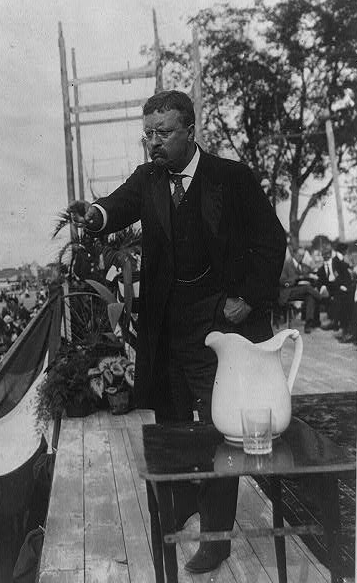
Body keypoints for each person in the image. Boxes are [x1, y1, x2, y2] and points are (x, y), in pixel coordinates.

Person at [69, 90, 286, 573]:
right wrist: (94, 215)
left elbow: (272, 240)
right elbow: (116, 207)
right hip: (168, 321)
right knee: (169, 422)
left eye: (163, 133)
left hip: (222, 324)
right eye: (147, 134)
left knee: (220, 426)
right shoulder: (149, 179)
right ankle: (184, 498)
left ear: (191, 129)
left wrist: (247, 297)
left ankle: (216, 537)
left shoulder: (231, 178)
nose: (153, 143)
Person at [279, 246, 322, 333]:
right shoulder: (286, 265)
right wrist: (297, 279)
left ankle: (308, 324)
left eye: (303, 255)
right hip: (288, 292)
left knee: (310, 295)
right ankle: (322, 298)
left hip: (301, 291)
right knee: (307, 289)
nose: (301, 257)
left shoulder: (304, 266)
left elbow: (311, 273)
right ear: (294, 254)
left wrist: (310, 277)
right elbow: (282, 281)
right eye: (299, 255)